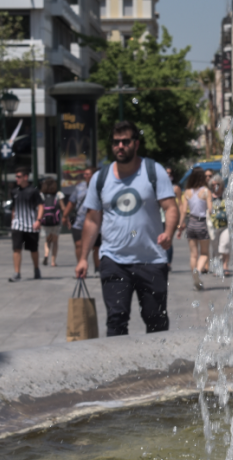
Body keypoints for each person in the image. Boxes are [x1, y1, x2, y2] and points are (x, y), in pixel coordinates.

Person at [75, 121, 179, 336]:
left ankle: (159, 367)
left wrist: (168, 233)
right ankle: (118, 369)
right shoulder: (100, 178)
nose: (120, 146)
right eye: (116, 142)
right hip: (113, 260)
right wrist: (83, 258)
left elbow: (170, 207)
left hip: (151, 260)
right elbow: (92, 220)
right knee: (116, 319)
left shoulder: (153, 171)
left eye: (125, 141)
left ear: (136, 144)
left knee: (156, 320)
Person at [176, 168, 212, 290]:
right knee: (205, 253)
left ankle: (195, 277)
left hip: (191, 223)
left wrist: (180, 227)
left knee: (193, 255)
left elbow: (183, 211)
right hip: (201, 223)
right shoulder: (206, 191)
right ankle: (198, 271)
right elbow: (210, 209)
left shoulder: (187, 192)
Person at [8, 169, 42, 281]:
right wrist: (13, 222)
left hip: (31, 224)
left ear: (25, 177)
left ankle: (36, 269)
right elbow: (14, 208)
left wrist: (38, 220)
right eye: (16, 176)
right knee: (16, 248)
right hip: (18, 225)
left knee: (33, 249)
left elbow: (41, 205)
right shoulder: (14, 191)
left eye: (18, 176)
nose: (16, 179)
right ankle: (17, 273)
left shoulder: (33, 191)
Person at [66, 169, 98, 274]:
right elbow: (72, 202)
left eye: (87, 174)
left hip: (95, 222)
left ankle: (97, 268)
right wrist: (65, 215)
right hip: (79, 221)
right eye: (84, 174)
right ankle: (81, 265)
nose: (85, 176)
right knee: (78, 244)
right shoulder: (80, 187)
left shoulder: (101, 186)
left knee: (96, 247)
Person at [38, 178, 65, 267]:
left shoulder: (41, 195)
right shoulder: (58, 194)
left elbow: (39, 208)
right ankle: (53, 261)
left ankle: (46, 254)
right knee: (55, 242)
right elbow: (63, 208)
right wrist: (66, 217)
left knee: (47, 240)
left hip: (45, 221)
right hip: (56, 221)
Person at [209, 178, 233, 278]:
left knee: (225, 245)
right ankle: (217, 266)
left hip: (226, 224)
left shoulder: (227, 195)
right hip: (213, 225)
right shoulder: (209, 196)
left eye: (218, 184)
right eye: (213, 184)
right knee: (215, 247)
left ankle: (225, 265)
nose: (216, 186)